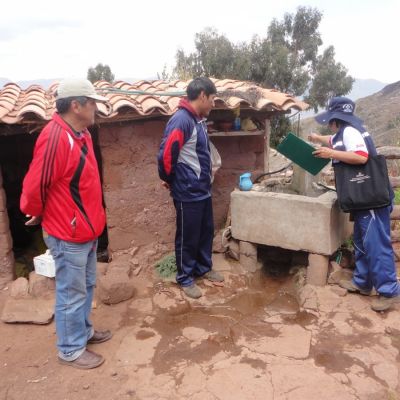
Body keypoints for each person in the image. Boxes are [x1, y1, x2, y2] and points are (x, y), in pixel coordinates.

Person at [20, 78, 112, 369]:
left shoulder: (79, 133)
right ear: (76, 105)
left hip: (85, 229)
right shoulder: (55, 137)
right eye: (92, 102)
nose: (96, 107)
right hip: (68, 232)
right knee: (71, 293)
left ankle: (82, 333)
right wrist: (36, 210)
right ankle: (70, 349)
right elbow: (35, 185)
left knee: (84, 286)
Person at [310, 96, 400, 311]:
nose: (330, 126)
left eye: (330, 121)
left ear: (336, 119)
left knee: (376, 244)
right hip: (363, 197)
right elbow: (334, 140)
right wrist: (317, 138)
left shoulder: (350, 132)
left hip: (370, 197)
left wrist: (330, 153)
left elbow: (360, 156)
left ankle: (389, 291)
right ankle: (363, 282)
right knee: (361, 241)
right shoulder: (347, 131)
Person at [158, 77, 224, 299]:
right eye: (213, 99)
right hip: (187, 191)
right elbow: (167, 154)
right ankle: (185, 277)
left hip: (202, 189)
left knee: (205, 231)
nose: (213, 104)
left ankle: (203, 268)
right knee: (188, 236)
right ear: (203, 95)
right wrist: (169, 178)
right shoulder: (181, 120)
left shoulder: (198, 120)